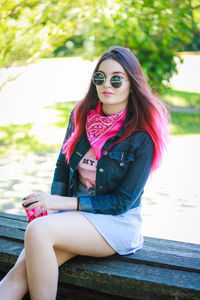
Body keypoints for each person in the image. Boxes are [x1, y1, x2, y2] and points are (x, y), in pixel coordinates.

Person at [0, 46, 169, 300]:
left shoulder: (141, 136)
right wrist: (54, 210)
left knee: (38, 231)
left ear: (131, 85)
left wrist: (59, 203)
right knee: (18, 273)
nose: (106, 85)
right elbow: (62, 164)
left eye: (116, 78)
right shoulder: (80, 114)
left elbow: (121, 202)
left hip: (116, 223)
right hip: (72, 218)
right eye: (100, 77)